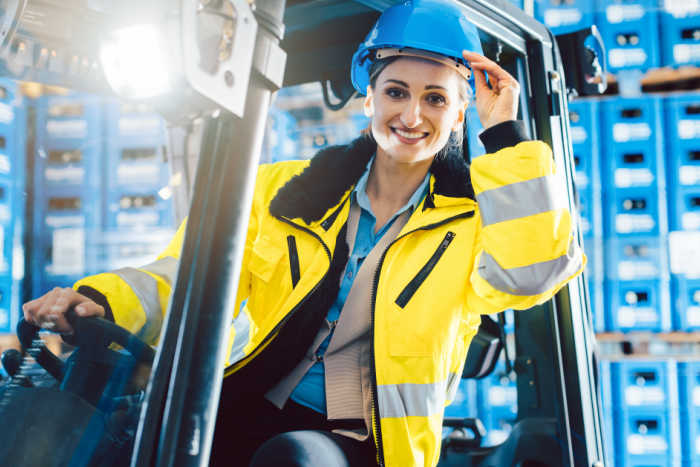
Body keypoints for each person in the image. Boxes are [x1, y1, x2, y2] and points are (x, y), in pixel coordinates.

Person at [22, 0, 585, 465]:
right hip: (239, 401)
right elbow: (186, 278)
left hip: (360, 442)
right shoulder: (283, 191)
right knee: (93, 435)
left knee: (294, 459)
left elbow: (533, 272)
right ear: (369, 97)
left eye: (436, 98)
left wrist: (506, 135)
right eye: (396, 91)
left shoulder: (477, 223)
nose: (412, 114)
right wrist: (99, 299)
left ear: (460, 115)